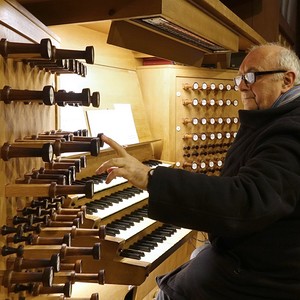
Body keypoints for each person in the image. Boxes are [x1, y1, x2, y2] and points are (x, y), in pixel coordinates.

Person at [95, 43, 300, 300]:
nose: (241, 86)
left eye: (251, 76)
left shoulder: (291, 130)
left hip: (263, 274)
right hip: (256, 254)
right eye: (239, 78)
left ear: (287, 80)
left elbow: (245, 200)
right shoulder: (277, 118)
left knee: (167, 294)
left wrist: (150, 177)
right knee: (194, 260)